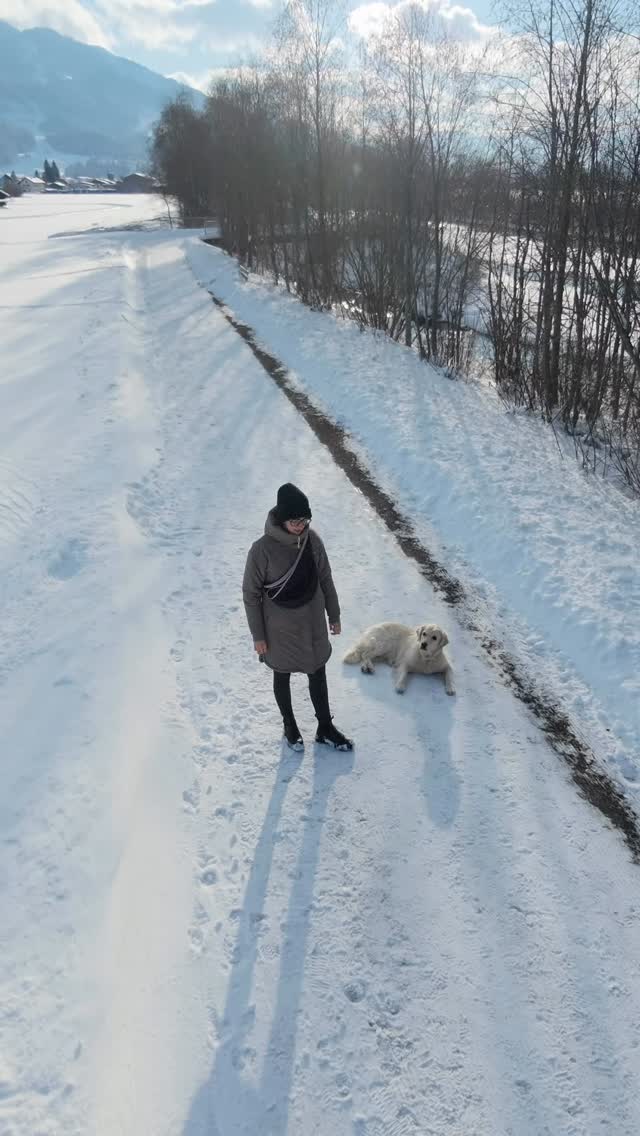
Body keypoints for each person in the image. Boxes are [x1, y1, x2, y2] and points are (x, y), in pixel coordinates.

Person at [243, 483, 353, 751]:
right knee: (281, 674)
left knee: (318, 673)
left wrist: (334, 614)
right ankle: (290, 726)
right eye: (295, 521)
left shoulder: (313, 541)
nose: (301, 526)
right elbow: (250, 594)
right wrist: (258, 636)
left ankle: (325, 727)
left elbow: (325, 578)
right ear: (282, 519)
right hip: (279, 629)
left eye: (305, 520)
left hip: (312, 624)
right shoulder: (262, 550)